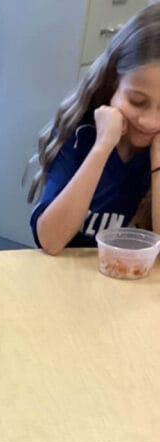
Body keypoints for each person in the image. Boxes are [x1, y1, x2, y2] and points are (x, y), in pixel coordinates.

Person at [28, 3, 160, 254]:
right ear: (112, 83)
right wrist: (102, 147)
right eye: (137, 101)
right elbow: (50, 241)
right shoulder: (80, 131)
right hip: (64, 275)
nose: (150, 122)